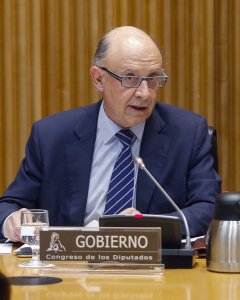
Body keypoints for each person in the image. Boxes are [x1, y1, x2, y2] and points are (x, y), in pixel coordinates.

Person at [0, 26, 221, 242]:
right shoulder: (51, 136)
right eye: (130, 78)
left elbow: (207, 208)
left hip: (156, 269)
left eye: (153, 78)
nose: (144, 93)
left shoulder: (187, 133)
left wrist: (137, 229)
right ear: (98, 79)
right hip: (69, 269)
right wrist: (13, 219)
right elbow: (10, 205)